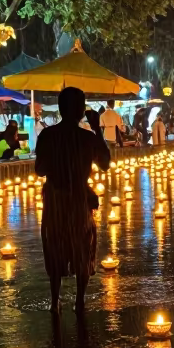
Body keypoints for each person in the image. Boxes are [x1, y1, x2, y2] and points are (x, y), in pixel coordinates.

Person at [34, 87, 110, 314]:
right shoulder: (87, 138)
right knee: (81, 246)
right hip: (78, 200)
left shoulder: (47, 136)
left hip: (56, 201)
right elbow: (105, 163)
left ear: (59, 108)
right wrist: (97, 129)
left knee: (55, 245)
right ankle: (79, 300)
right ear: (81, 111)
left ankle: (55, 300)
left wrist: (58, 166)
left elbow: (40, 170)